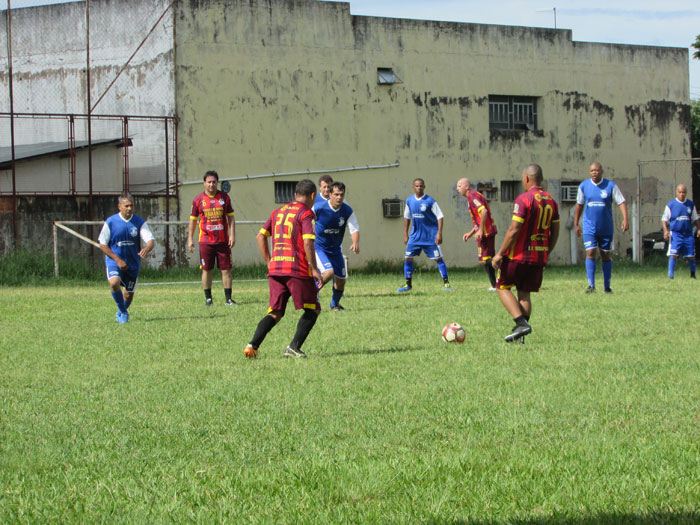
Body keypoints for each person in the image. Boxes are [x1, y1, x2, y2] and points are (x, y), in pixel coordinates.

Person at [244, 179, 323, 359]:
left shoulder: (277, 212)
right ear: (312, 195)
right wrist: (315, 269)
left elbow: (260, 236)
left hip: (276, 269)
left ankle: (252, 345)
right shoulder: (306, 214)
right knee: (313, 309)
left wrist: (269, 262)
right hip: (297, 269)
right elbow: (308, 242)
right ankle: (294, 347)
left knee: (275, 312)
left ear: (295, 195)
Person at [492, 164, 560, 343]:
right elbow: (555, 232)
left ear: (527, 179)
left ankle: (521, 323)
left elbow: (514, 230)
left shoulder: (524, 199)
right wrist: (546, 251)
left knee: (502, 287)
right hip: (538, 257)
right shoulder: (551, 201)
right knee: (524, 293)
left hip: (519, 256)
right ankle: (520, 335)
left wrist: (500, 254)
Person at [98, 193, 155, 324]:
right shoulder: (111, 222)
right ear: (119, 207)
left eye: (131, 205)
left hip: (132, 263)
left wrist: (147, 248)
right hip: (114, 261)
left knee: (128, 294)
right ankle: (123, 312)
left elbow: (150, 240)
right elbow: (102, 244)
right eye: (126, 206)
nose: (129, 208)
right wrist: (117, 260)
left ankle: (122, 310)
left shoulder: (139, 222)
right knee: (114, 283)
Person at [573, 161, 629, 294]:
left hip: (605, 227)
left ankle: (607, 286)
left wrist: (625, 219)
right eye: (592, 171)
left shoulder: (610, 186)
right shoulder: (584, 186)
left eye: (596, 170)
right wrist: (576, 223)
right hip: (589, 227)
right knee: (590, 252)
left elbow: (621, 202)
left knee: (605, 254)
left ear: (601, 171)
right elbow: (579, 205)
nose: (594, 173)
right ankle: (591, 285)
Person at [187, 170, 238, 306]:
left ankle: (228, 299)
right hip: (205, 241)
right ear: (204, 183)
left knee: (226, 269)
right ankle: (208, 299)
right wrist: (190, 239)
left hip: (223, 241)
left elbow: (231, 217)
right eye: (209, 182)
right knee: (206, 269)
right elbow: (192, 220)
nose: (211, 184)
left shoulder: (224, 198)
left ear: (217, 183)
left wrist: (232, 235)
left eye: (214, 182)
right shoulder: (198, 200)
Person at [397, 178, 451, 292]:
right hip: (415, 236)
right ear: (413, 187)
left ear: (424, 187)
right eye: (416, 186)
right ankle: (408, 285)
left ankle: (447, 284)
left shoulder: (430, 201)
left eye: (421, 186)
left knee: (438, 258)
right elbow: (407, 218)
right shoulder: (409, 201)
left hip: (430, 236)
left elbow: (440, 216)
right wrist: (405, 234)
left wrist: (439, 233)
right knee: (408, 258)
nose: (419, 188)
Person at [313, 181, 360, 311]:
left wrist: (355, 242)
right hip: (319, 249)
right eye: (336, 194)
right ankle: (310, 295)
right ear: (330, 194)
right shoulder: (318, 208)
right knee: (328, 273)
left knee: (341, 280)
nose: (339, 197)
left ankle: (334, 305)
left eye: (342, 195)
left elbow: (354, 228)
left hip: (335, 250)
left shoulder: (347, 210)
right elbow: (304, 220)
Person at [456, 177, 498, 290]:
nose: (457, 188)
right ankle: (495, 285)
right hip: (485, 231)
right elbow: (479, 219)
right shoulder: (471, 198)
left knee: (486, 260)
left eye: (459, 186)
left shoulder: (472, 196)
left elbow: (483, 211)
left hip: (486, 232)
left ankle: (506, 266)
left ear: (467, 186)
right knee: (486, 260)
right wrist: (471, 233)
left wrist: (480, 230)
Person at [661, 183, 700, 279]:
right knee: (673, 254)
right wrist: (666, 231)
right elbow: (664, 219)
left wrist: (699, 229)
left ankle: (692, 275)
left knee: (691, 255)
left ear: (686, 193)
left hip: (688, 234)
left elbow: (695, 219)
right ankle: (671, 276)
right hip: (675, 234)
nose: (681, 194)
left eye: (683, 192)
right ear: (676, 192)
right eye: (679, 192)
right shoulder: (671, 205)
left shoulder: (690, 204)